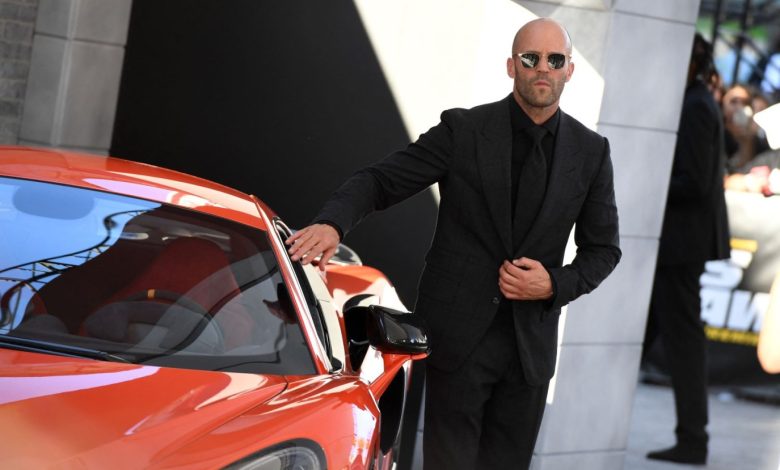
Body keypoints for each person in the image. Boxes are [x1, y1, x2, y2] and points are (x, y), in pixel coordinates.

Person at [287, 18, 621, 469]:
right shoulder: (464, 130)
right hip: (460, 339)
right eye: (531, 58)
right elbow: (381, 180)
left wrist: (553, 285)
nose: (543, 68)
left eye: (554, 59)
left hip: (529, 350)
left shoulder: (591, 151)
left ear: (569, 70)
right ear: (512, 66)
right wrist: (333, 224)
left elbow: (604, 250)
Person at [643, 33, 730, 465]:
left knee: (684, 343)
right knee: (649, 337)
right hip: (678, 243)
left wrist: (647, 180)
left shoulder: (696, 104)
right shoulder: (696, 101)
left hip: (681, 245)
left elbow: (694, 181)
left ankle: (693, 439)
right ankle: (691, 437)